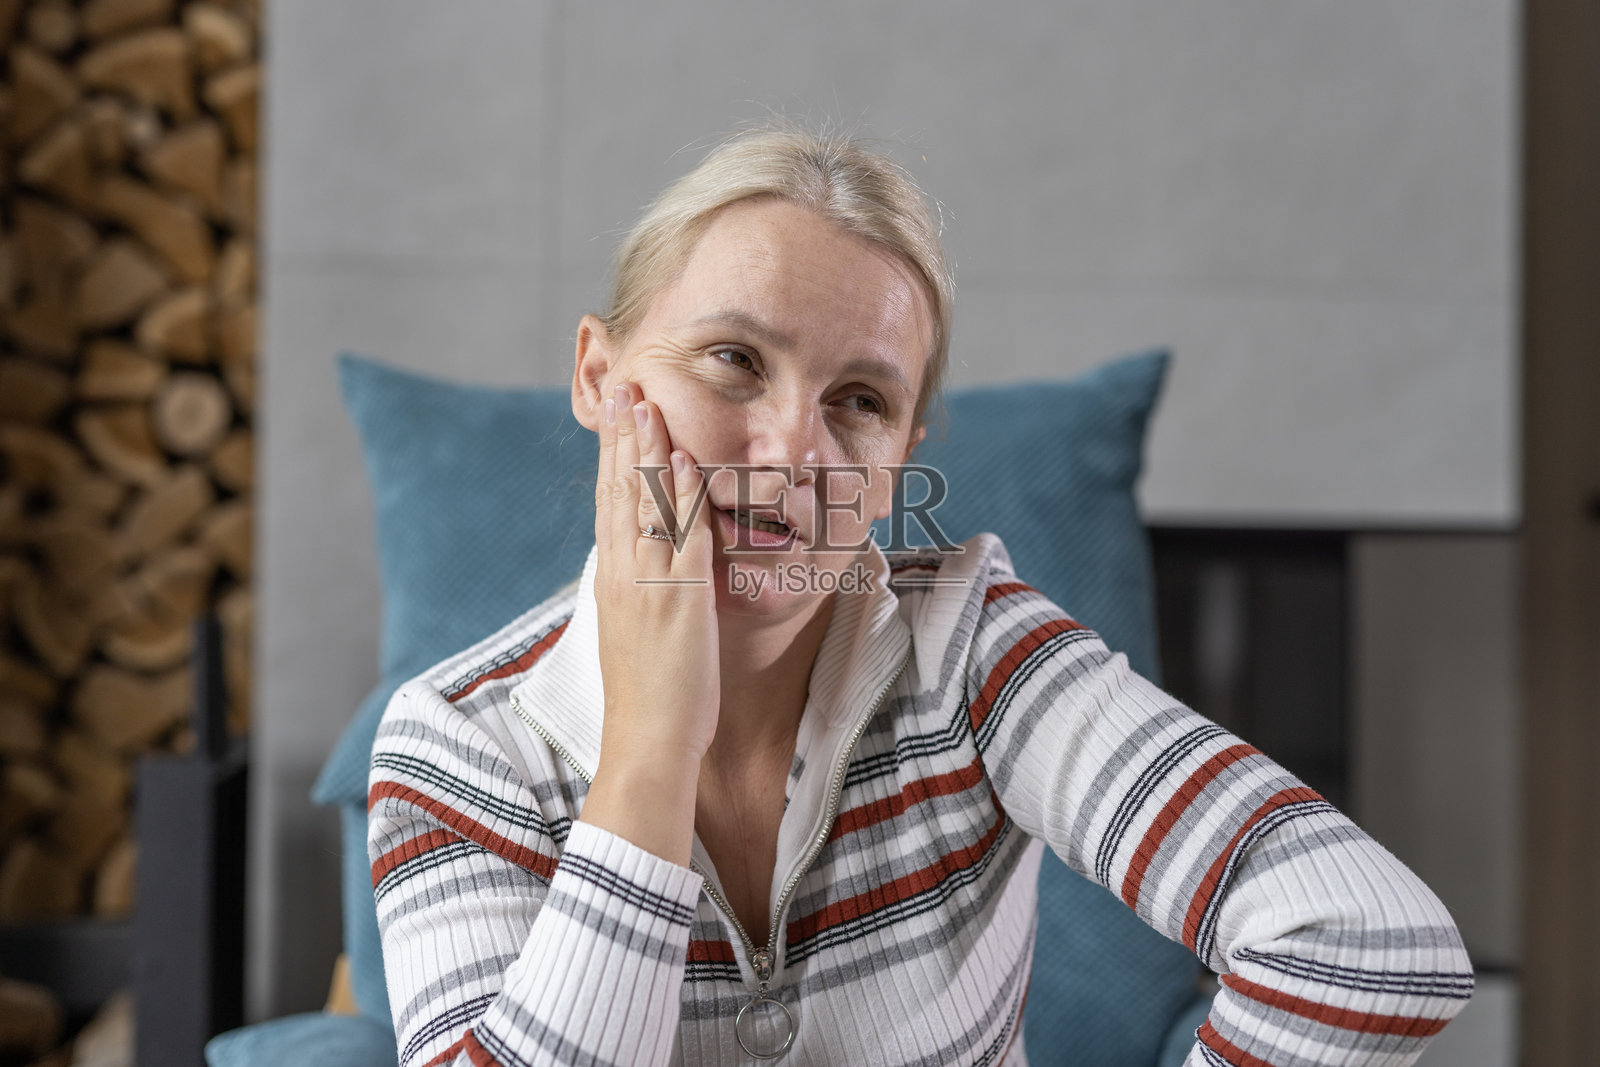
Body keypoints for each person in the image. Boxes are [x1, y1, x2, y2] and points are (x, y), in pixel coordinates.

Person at [367, 124, 1473, 1066]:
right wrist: (653, 742)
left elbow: (1367, 938)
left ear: (899, 456)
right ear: (601, 381)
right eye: (733, 360)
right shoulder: (459, 746)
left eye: (858, 399)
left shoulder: (975, 655)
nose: (793, 450)